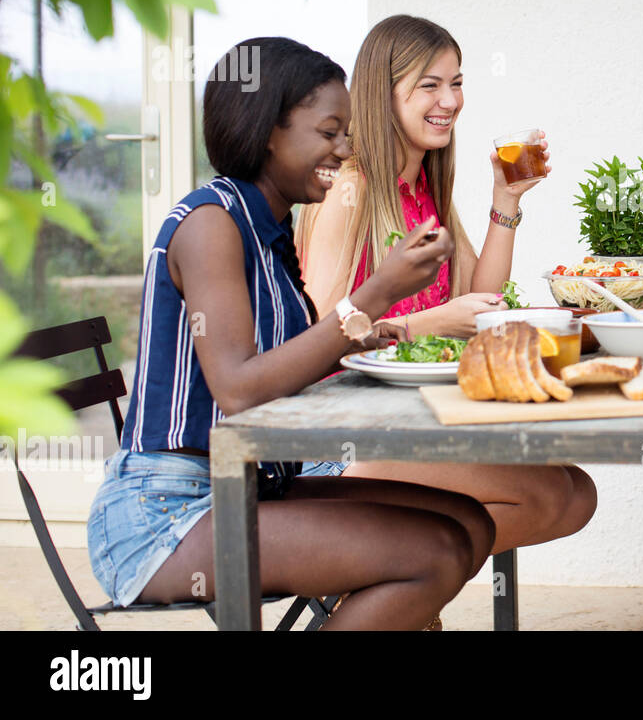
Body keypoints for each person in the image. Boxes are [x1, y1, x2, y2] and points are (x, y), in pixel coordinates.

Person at [88, 38, 496, 630]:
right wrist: (375, 293)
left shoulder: (270, 231)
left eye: (346, 132)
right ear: (268, 131)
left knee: (471, 527)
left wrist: (374, 332)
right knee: (432, 555)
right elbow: (238, 389)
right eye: (329, 132)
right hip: (167, 510)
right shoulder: (211, 224)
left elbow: (292, 362)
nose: (345, 148)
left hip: (255, 482)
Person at [297, 15, 597, 554]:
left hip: (411, 419)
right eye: (429, 85)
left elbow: (481, 298)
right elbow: (314, 339)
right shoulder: (351, 189)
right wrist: (420, 326)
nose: (450, 101)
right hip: (337, 439)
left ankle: (400, 582)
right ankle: (391, 584)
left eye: (456, 82)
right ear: (381, 95)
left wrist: (506, 202)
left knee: (576, 494)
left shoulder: (422, 190)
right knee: (549, 494)